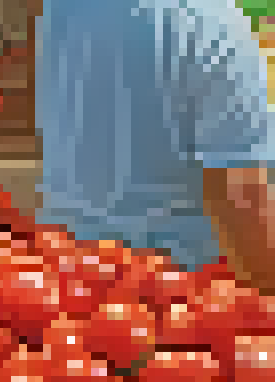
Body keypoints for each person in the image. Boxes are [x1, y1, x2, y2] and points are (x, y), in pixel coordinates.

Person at [33, 0, 275, 291]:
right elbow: (242, 202)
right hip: (178, 297)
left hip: (63, 282)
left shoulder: (66, 7)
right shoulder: (212, 23)